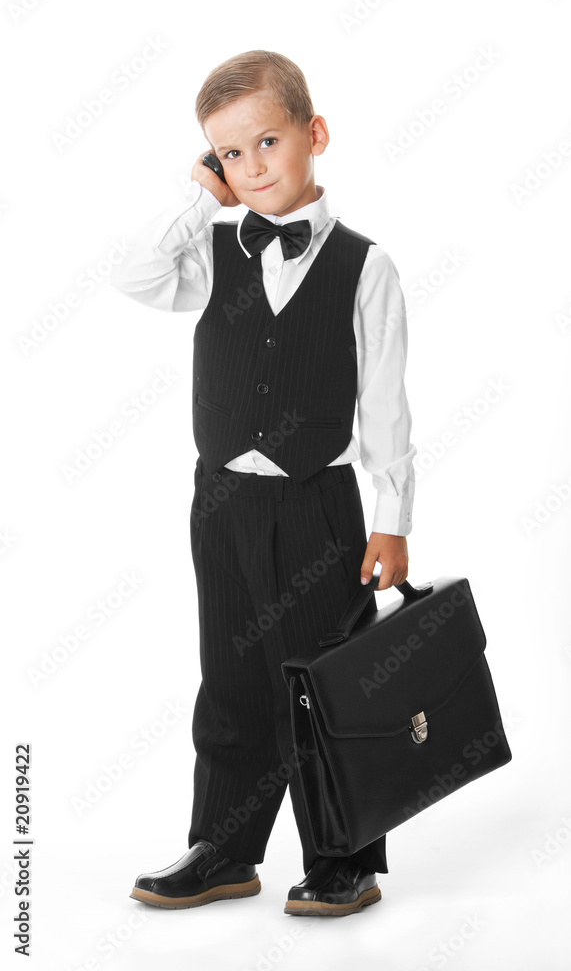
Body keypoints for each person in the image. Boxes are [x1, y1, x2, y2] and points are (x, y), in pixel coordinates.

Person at [108, 49, 416, 917]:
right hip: (222, 503)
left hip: (318, 503)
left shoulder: (365, 266)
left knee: (324, 685)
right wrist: (198, 197)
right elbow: (132, 274)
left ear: (315, 134)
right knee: (232, 680)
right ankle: (224, 849)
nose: (251, 167)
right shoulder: (211, 251)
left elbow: (385, 403)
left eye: (267, 142)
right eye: (229, 154)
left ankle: (341, 859)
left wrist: (392, 519)